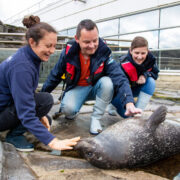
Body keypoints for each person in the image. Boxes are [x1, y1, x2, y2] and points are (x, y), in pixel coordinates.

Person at [41, 19, 142, 135]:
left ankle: (96, 119)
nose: (92, 45)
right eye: (87, 42)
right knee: (68, 111)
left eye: (95, 40)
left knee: (108, 82)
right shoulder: (68, 53)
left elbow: (119, 76)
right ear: (77, 39)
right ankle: (73, 108)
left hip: (96, 87)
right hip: (77, 88)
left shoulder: (104, 51)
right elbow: (54, 76)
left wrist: (129, 102)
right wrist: (41, 99)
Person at [0, 15, 80, 152]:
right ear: (32, 42)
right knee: (45, 100)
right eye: (48, 46)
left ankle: (24, 127)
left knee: (45, 117)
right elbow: (26, 112)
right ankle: (13, 136)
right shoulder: (22, 67)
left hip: (6, 106)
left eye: (54, 46)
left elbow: (25, 92)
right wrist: (53, 142)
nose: (52, 51)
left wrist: (40, 114)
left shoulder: (28, 56)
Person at [108, 36, 159, 117]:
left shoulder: (150, 60)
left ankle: (137, 112)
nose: (139, 57)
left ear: (147, 51)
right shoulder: (122, 64)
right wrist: (128, 102)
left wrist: (145, 75)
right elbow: (120, 85)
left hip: (134, 89)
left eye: (143, 53)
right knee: (127, 115)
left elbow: (155, 74)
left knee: (151, 82)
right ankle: (113, 105)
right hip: (119, 93)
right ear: (131, 51)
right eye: (136, 53)